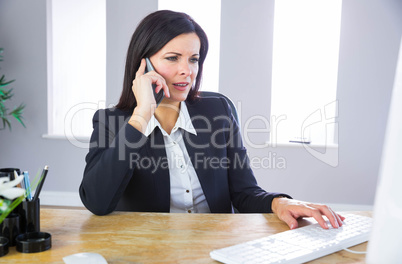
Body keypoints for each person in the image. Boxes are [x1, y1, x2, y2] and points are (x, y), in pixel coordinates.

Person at [79, 10, 344, 230]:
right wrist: (141, 116)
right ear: (143, 66)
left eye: (193, 59)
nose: (188, 70)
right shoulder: (111, 122)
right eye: (173, 58)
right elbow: (98, 201)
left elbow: (244, 192)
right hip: (153, 251)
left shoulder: (218, 110)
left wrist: (280, 203)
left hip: (216, 246)